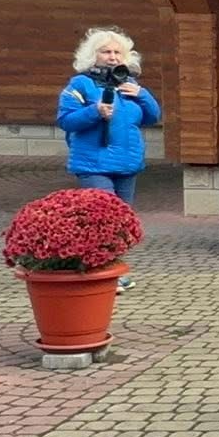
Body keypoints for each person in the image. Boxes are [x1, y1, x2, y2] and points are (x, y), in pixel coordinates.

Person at [57, 27, 161, 291]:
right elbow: (66, 120)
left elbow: (153, 116)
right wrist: (94, 112)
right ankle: (99, 270)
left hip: (127, 163)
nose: (113, 57)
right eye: (106, 52)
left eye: (117, 52)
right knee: (100, 217)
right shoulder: (80, 84)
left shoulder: (129, 84)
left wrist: (143, 95)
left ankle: (112, 270)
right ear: (93, 55)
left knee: (120, 221)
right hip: (94, 164)